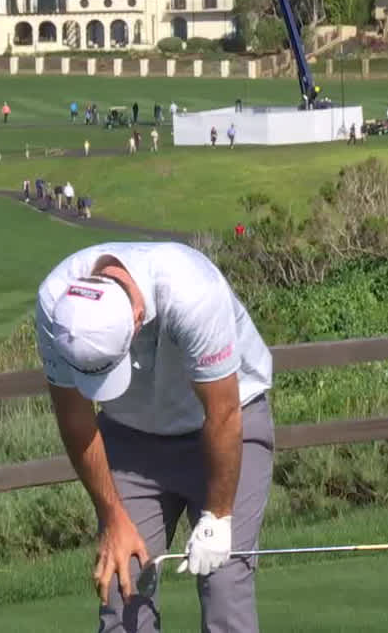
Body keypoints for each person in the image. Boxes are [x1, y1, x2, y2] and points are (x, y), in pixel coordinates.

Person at [34, 242, 275, 633]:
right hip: (131, 442)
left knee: (225, 589)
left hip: (227, 428)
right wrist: (113, 518)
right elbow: (76, 418)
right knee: (122, 589)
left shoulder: (191, 290)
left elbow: (223, 412)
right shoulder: (55, 305)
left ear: (137, 314)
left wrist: (218, 518)